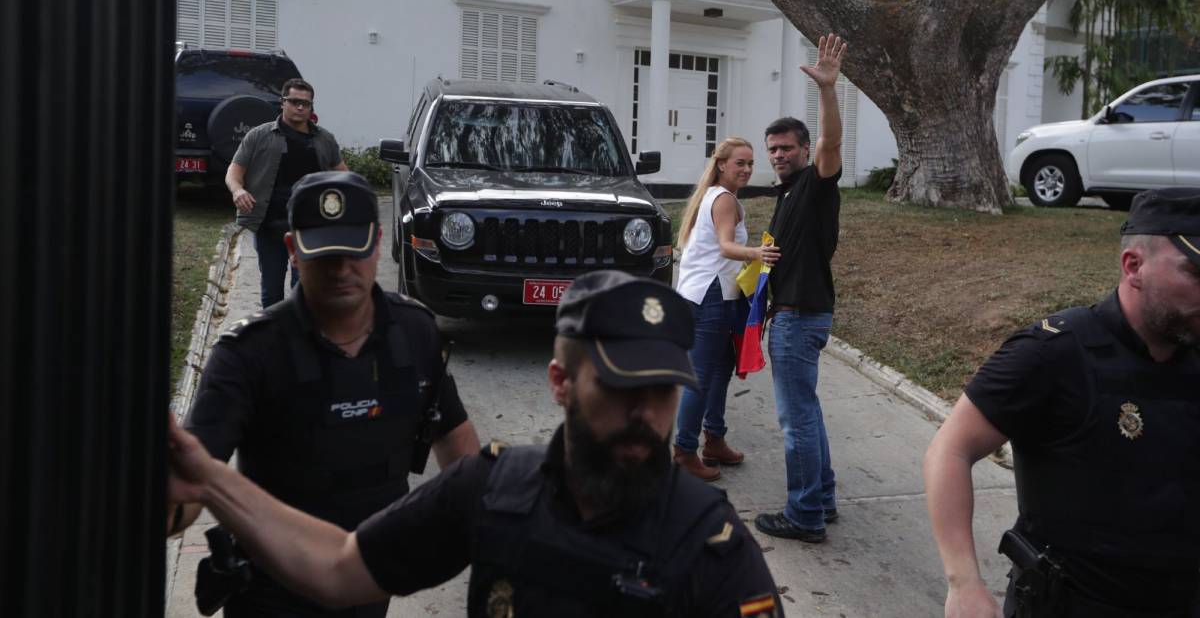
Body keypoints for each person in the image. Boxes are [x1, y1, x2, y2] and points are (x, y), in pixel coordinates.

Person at [167, 270, 784, 617]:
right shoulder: (491, 492)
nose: (645, 415)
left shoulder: (714, 551)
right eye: (621, 389)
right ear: (560, 384)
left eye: (664, 391)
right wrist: (210, 478)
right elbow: (337, 568)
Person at [170, 171, 481, 617]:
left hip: (370, 584)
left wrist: (488, 524)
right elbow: (192, 482)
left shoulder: (413, 334)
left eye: (353, 251)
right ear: (294, 252)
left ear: (376, 244)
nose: (341, 269)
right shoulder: (249, 354)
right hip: (272, 593)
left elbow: (457, 446)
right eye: (324, 254)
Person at [924, 188, 1200, 618]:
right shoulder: (1055, 352)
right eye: (1196, 272)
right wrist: (964, 583)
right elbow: (951, 448)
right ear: (1134, 266)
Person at [752, 33, 847, 544]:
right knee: (808, 414)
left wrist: (828, 90)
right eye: (773, 149)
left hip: (799, 317)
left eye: (787, 147)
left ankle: (805, 515)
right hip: (793, 314)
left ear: (806, 150)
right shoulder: (788, 193)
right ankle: (823, 499)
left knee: (796, 423)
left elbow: (833, 144)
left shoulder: (815, 181)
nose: (778, 155)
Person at [673, 137, 780, 481]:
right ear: (721, 164)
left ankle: (714, 439)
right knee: (702, 376)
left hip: (707, 294)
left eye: (750, 163)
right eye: (740, 163)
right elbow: (726, 246)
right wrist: (756, 254)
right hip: (712, 298)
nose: (747, 169)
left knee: (719, 370)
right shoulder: (724, 200)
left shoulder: (712, 195)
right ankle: (684, 452)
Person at [225, 77, 350, 309]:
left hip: (310, 228)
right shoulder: (259, 136)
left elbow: (344, 176)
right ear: (282, 102)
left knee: (303, 290)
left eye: (306, 103)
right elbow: (234, 170)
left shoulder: (324, 140)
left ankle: (297, 338)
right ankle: (273, 337)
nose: (300, 107)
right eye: (294, 101)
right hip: (269, 225)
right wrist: (238, 190)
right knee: (271, 291)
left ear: (312, 107)